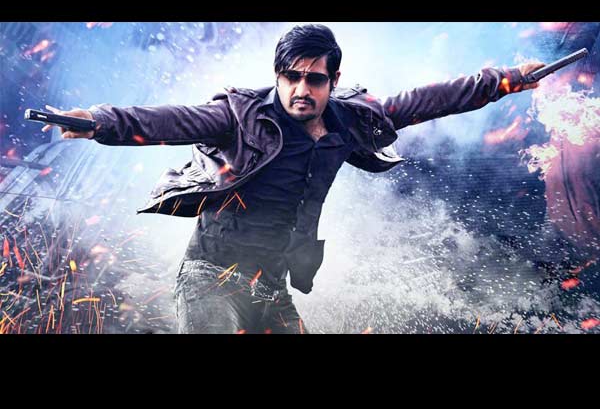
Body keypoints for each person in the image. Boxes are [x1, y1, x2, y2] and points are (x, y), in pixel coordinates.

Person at [41, 24, 544, 334]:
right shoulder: (239, 116)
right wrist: (98, 121)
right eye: (291, 77)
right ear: (278, 75)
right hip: (210, 279)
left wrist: (504, 81)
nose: (301, 89)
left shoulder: (350, 122)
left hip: (272, 286)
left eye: (315, 79)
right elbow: (167, 121)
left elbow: (424, 101)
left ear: (333, 81)